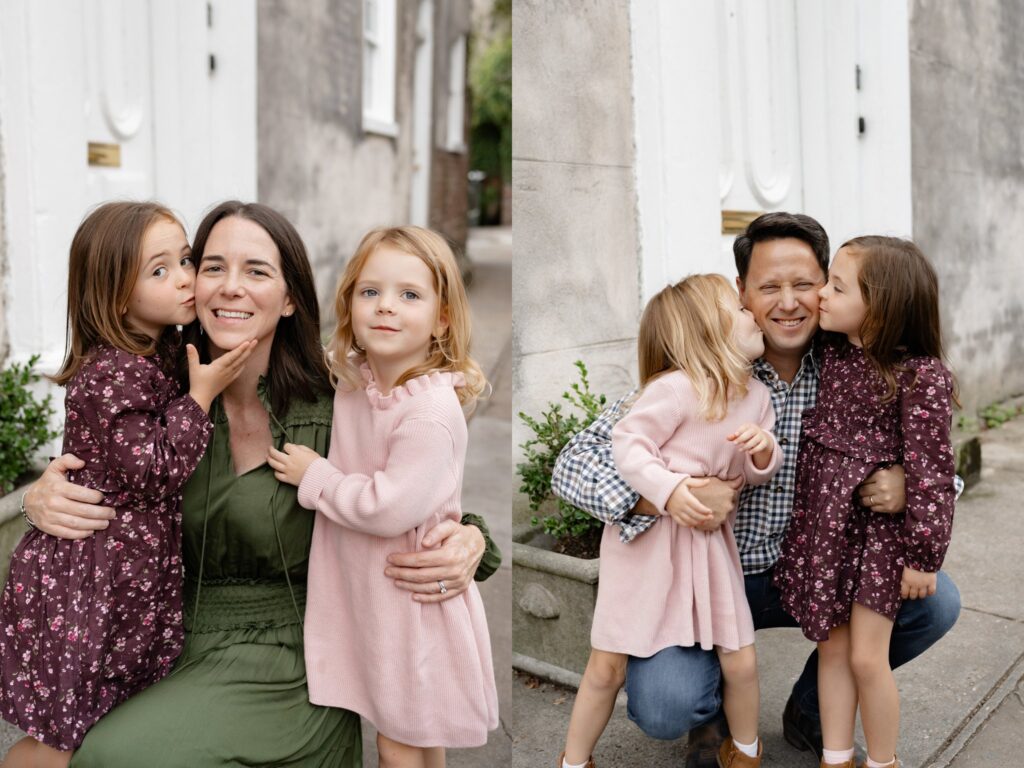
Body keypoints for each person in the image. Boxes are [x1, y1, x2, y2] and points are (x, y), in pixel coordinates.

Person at [19, 201, 499, 767]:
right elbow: (94, 478)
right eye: (213, 266)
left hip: (292, 653)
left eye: (257, 271)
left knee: (115, 758)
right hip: (154, 637)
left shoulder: (337, 397)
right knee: (35, 757)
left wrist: (474, 543)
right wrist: (36, 500)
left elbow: (414, 486)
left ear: (291, 297)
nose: (230, 288)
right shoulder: (154, 395)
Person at [550, 212, 962, 768]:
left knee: (933, 606)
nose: (789, 302)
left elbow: (934, 459)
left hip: (812, 567)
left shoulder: (850, 362)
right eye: (769, 287)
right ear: (742, 294)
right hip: (707, 575)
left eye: (807, 285)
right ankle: (711, 716)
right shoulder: (704, 368)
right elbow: (573, 463)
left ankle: (812, 711)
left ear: (830, 288)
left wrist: (908, 486)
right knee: (666, 705)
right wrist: (668, 496)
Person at [0, 202, 255, 768]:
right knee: (64, 738)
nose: (187, 278)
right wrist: (202, 398)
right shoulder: (112, 372)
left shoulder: (160, 346)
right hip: (90, 585)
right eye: (160, 271)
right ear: (117, 296)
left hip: (123, 578)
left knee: (114, 722)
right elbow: (152, 470)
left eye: (185, 259)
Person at [269, 226, 499, 766]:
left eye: (410, 295)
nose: (386, 308)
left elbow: (389, 506)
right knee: (415, 733)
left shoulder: (427, 413)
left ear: (443, 317)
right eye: (370, 292)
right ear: (348, 303)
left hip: (406, 599)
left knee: (400, 739)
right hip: (376, 597)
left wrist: (317, 477)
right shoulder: (357, 382)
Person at [559, 275, 782, 768]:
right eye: (738, 310)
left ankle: (745, 751)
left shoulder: (756, 398)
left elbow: (750, 474)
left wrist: (765, 453)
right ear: (709, 331)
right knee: (607, 665)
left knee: (740, 656)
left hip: (710, 548)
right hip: (647, 551)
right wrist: (670, 490)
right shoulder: (676, 390)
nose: (752, 313)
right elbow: (628, 445)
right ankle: (574, 761)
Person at [773, 237, 955, 768]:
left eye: (836, 286)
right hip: (826, 533)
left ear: (880, 306)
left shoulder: (920, 376)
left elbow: (933, 473)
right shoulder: (831, 351)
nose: (821, 296)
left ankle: (883, 760)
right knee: (831, 649)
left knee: (866, 658)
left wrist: (924, 554)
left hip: (878, 540)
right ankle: (836, 757)